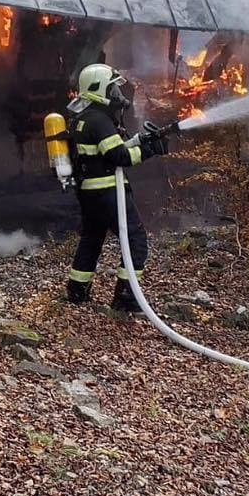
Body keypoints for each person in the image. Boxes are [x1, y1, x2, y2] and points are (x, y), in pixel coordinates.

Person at [65, 62, 168, 313]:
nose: (117, 95)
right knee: (135, 240)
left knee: (92, 238)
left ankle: (77, 290)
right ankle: (126, 299)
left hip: (90, 193)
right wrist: (151, 150)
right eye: (112, 89)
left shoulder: (84, 118)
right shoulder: (100, 120)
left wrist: (142, 140)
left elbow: (110, 148)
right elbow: (120, 157)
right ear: (98, 89)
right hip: (108, 192)